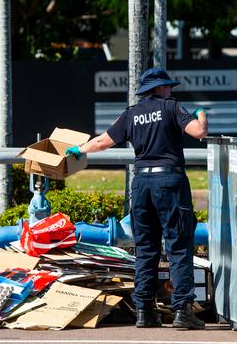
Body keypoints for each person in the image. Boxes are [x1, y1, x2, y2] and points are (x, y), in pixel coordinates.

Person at [65, 68, 208, 330]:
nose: (171, 90)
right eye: (168, 87)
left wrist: (79, 149)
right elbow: (198, 132)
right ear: (160, 88)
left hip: (141, 184)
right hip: (169, 182)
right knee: (178, 245)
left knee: (145, 249)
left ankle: (144, 310)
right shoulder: (172, 107)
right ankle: (182, 311)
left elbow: (102, 142)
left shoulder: (131, 113)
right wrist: (201, 113)